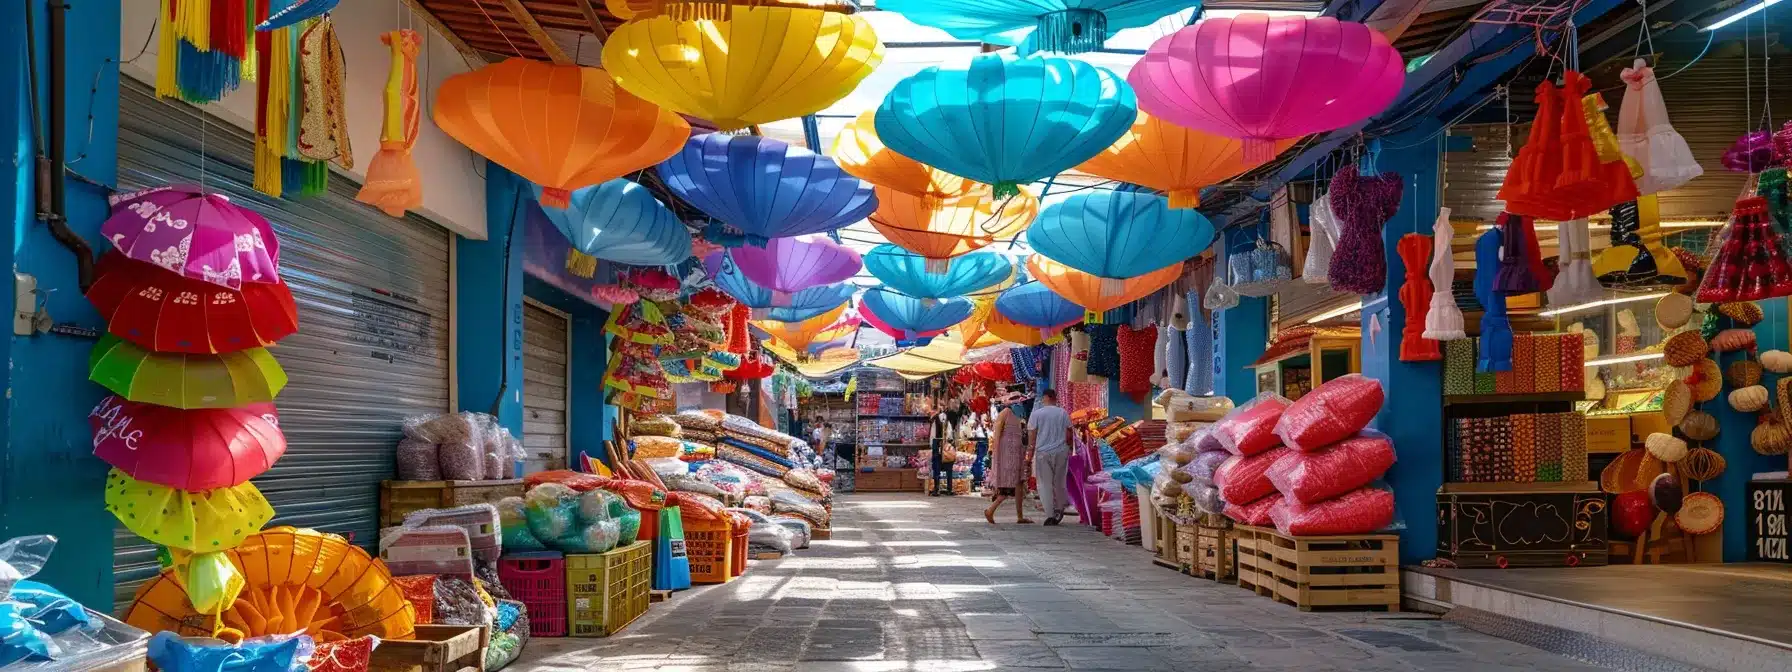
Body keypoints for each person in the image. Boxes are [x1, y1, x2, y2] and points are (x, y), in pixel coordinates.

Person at [1026, 389, 1074, 525]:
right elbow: (1069, 433)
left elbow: (1032, 436)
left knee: (1044, 484)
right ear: (1055, 397)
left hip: (1043, 453)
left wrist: (1029, 455)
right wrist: (1069, 447)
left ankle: (1050, 514)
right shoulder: (1063, 413)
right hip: (1061, 451)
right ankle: (1059, 509)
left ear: (1045, 397)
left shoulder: (1037, 414)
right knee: (1059, 482)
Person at [984, 396, 1034, 524]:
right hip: (1006, 455)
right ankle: (991, 510)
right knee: (1010, 485)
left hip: (1018, 454)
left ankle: (1019, 516)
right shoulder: (1005, 413)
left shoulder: (1021, 415)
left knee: (1019, 483)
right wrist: (996, 454)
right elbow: (997, 434)